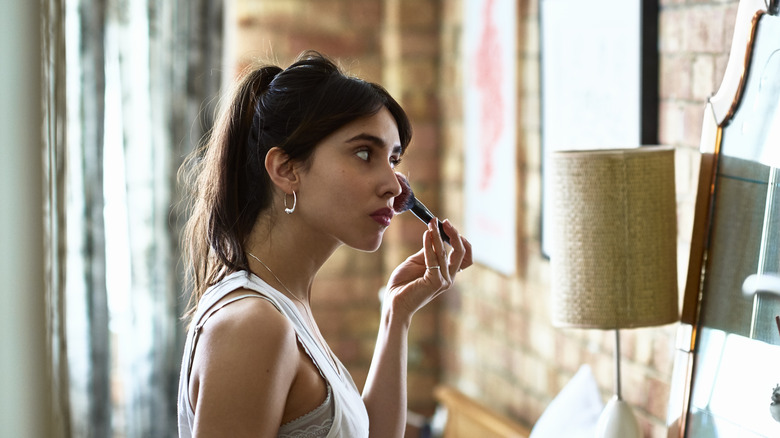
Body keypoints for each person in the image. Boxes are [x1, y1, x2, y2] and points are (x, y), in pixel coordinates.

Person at [177, 50, 472, 438]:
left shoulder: (284, 304)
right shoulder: (253, 327)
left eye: (394, 159)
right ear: (286, 169)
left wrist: (397, 315)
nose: (394, 184)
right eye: (365, 153)